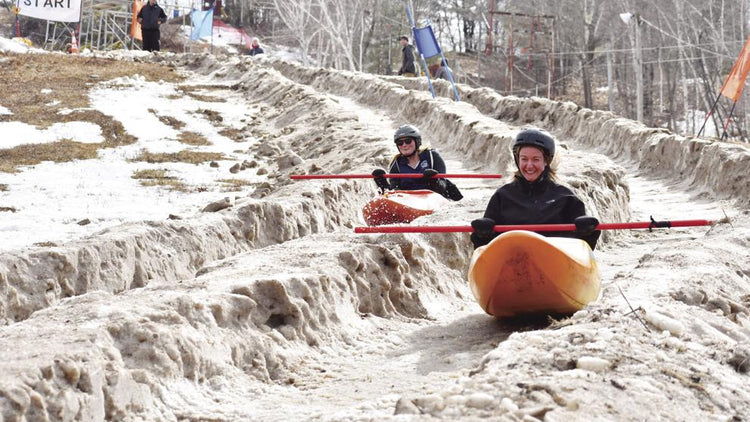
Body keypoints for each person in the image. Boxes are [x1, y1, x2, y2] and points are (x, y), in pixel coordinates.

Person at [470, 128, 600, 250]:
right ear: (517, 160)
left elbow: (582, 250)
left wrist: (588, 233)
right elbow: (486, 250)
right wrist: (482, 235)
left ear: (546, 161)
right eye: (524, 159)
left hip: (555, 266)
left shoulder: (565, 198)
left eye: (536, 159)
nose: (529, 165)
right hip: (512, 265)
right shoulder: (503, 196)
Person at [372, 124, 463, 201]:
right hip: (410, 201)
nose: (404, 145)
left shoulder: (432, 157)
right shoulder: (396, 164)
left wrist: (434, 180)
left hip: (433, 198)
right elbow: (395, 191)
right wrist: (383, 184)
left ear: (417, 142)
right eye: (400, 143)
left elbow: (443, 186)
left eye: (408, 141)